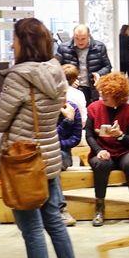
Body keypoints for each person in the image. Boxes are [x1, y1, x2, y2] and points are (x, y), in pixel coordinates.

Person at [0, 17, 79, 258]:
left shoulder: (19, 77)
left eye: (15, 39)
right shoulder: (57, 72)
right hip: (49, 154)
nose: (12, 44)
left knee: (31, 228)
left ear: (22, 43)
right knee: (54, 220)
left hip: (23, 159)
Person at [86, 72, 129, 227]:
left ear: (118, 95)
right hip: (103, 150)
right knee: (101, 164)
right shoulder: (94, 108)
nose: (103, 96)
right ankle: (99, 207)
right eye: (102, 93)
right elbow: (89, 135)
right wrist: (98, 150)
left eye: (108, 94)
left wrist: (120, 135)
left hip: (127, 150)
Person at [55, 24, 112, 104]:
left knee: (91, 113)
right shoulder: (63, 48)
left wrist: (98, 74)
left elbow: (107, 67)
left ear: (89, 36)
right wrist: (68, 79)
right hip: (72, 89)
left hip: (93, 88)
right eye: (77, 38)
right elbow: (56, 69)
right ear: (73, 36)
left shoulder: (99, 47)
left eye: (83, 38)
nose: (80, 41)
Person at [56, 97, 82, 226]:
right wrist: (67, 120)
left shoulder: (73, 108)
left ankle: (61, 209)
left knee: (54, 160)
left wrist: (55, 144)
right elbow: (44, 136)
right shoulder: (44, 108)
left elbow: (76, 139)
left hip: (63, 153)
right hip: (42, 152)